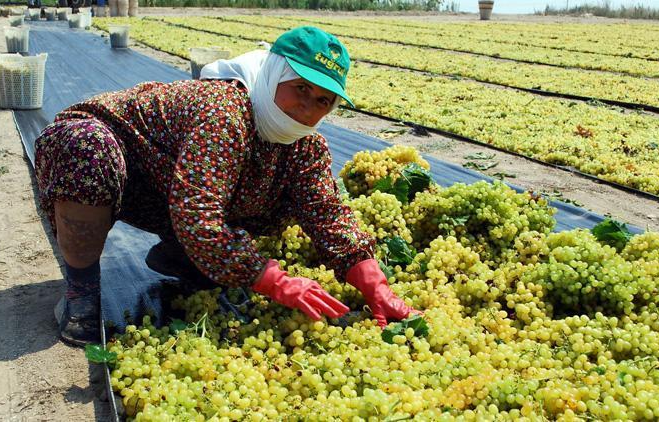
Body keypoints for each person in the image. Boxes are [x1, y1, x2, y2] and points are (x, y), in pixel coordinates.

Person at [34, 26, 418, 347]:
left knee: (287, 195)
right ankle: (80, 290)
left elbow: (326, 210)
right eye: (300, 88)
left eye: (323, 100)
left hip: (172, 184)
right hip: (117, 163)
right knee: (86, 149)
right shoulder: (224, 113)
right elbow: (198, 216)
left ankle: (180, 254)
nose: (308, 107)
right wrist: (274, 280)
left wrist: (368, 275)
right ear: (275, 73)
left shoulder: (306, 145)